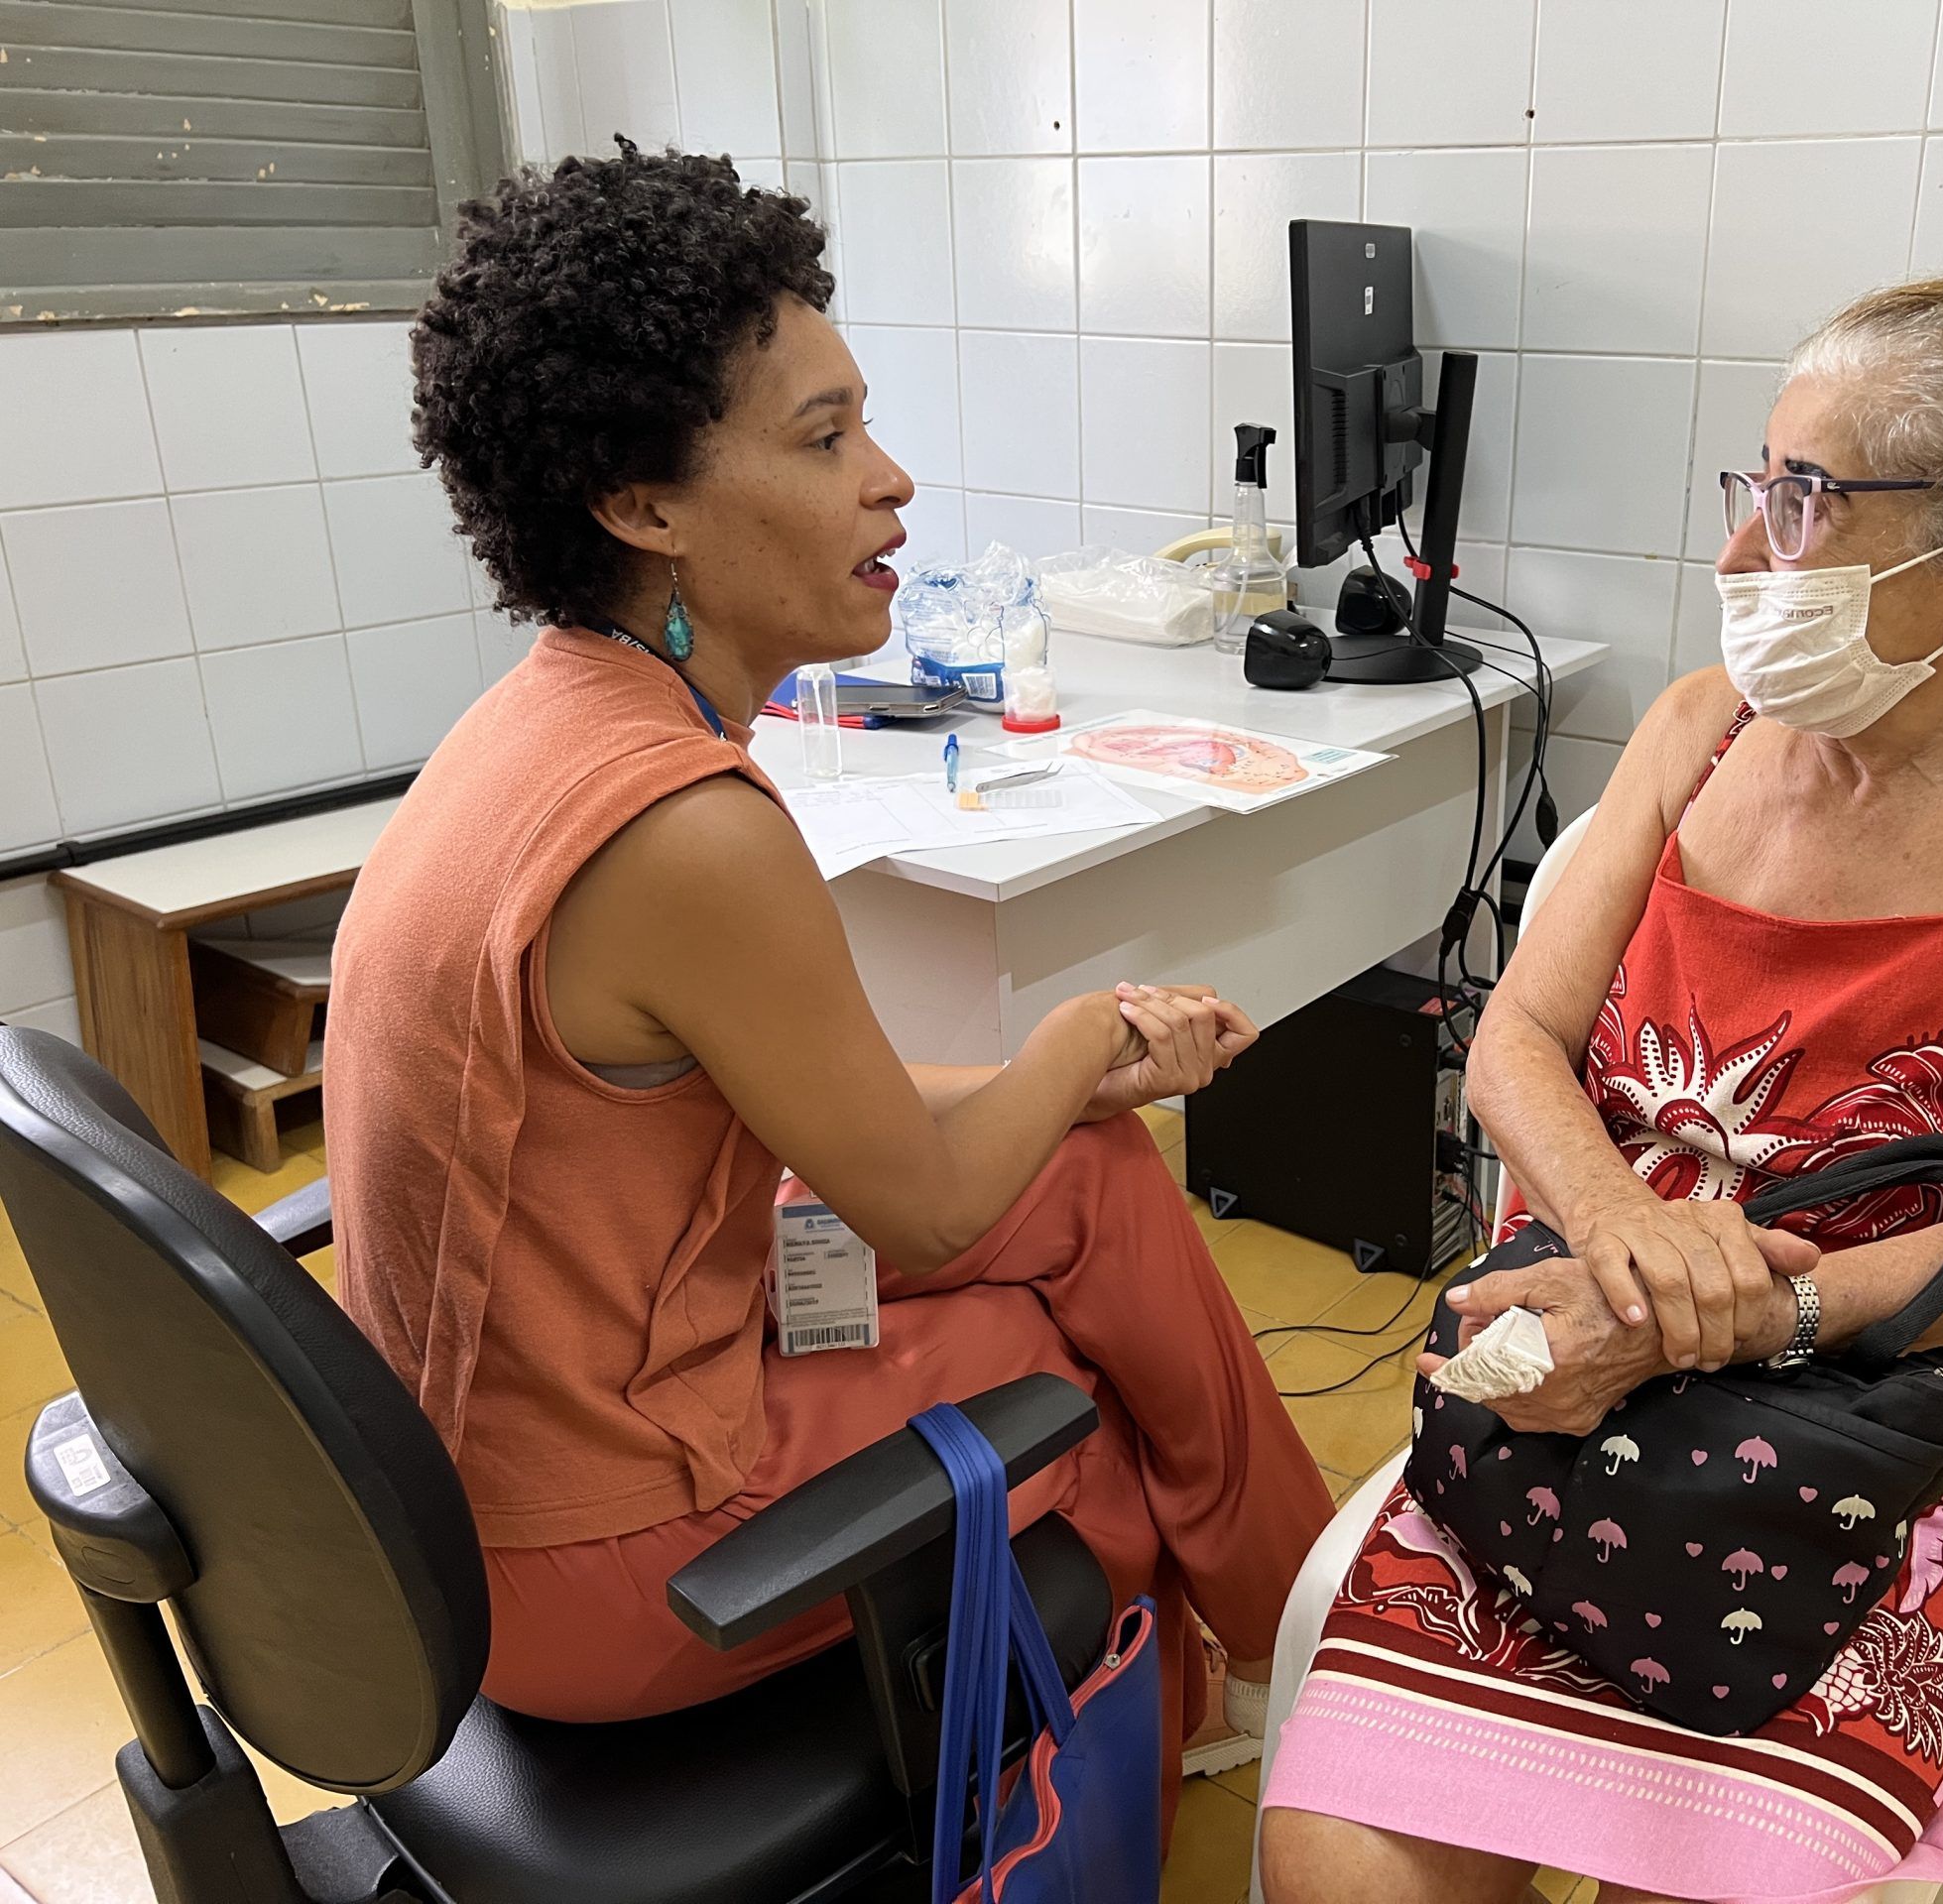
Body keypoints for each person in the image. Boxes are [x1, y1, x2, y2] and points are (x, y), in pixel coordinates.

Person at [324, 145, 1330, 1802]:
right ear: (642, 505)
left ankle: (1305, 1633)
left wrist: (1071, 1083)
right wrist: (1077, 1030)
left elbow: (803, 1107)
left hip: (517, 1430)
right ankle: (1164, 1726)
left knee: (1089, 1176)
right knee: (1059, 1376)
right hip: (595, 1549)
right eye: (824, 438)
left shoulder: (545, 722)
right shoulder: (685, 832)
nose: (893, 481)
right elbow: (924, 1213)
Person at [1261, 270, 1943, 1902]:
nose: (1732, 559)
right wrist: (1621, 1238)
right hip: (1575, 1350)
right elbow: (1516, 1041)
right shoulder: (1699, 731)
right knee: (1338, 1869)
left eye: (1802, 504)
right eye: (1758, 484)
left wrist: (1698, 1322)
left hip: (1859, 1437)